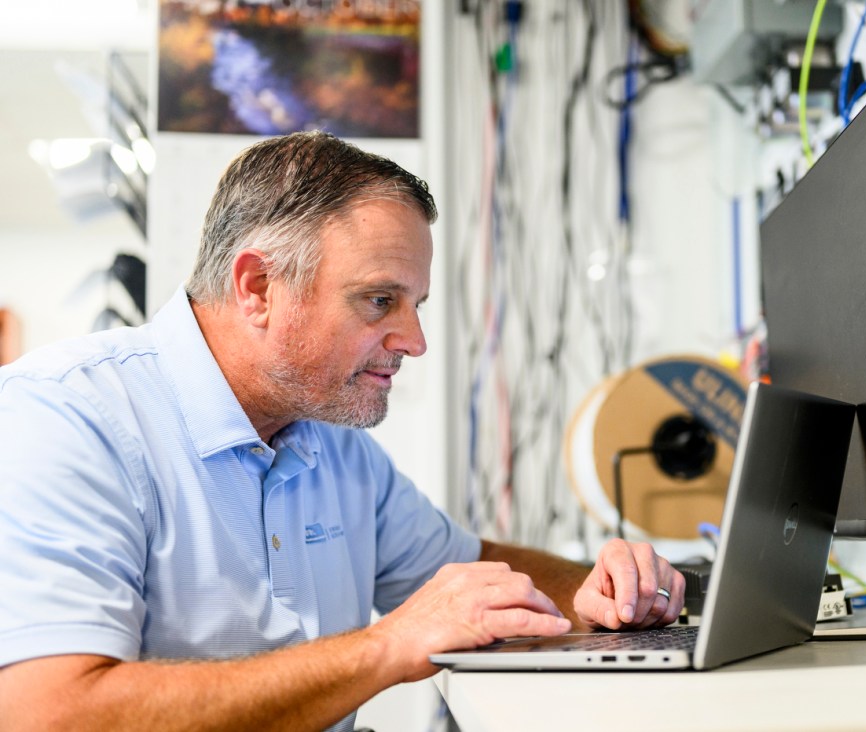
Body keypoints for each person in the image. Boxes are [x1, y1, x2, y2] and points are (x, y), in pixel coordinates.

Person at [0, 131, 686, 731]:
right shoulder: (65, 419)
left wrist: (596, 587)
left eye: (415, 305)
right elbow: (49, 713)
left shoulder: (332, 446)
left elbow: (466, 569)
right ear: (258, 288)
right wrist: (384, 646)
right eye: (380, 300)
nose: (414, 341)